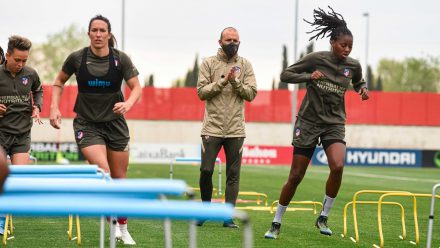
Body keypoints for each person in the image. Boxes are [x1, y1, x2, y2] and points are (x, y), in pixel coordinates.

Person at [264, 7, 370, 239]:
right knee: (296, 176)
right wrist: (307, 77)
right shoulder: (316, 59)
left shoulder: (352, 65)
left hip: (334, 123)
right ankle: (276, 221)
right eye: (343, 44)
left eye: (350, 46)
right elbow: (285, 75)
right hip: (309, 122)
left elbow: (358, 81)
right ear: (332, 42)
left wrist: (362, 89)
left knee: (338, 166)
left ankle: (323, 216)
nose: (347, 49)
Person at [49, 15, 142, 245]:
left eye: (102, 30)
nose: (98, 34)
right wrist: (54, 108)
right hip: (87, 124)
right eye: (94, 30)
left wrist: (128, 104)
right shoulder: (77, 58)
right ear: (89, 33)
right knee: (104, 171)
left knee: (119, 179)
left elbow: (137, 87)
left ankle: (123, 227)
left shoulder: (120, 59)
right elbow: (59, 81)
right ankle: (111, 224)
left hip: (115, 124)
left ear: (109, 34)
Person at [197, 27, 257, 228]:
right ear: (220, 42)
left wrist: (236, 82)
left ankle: (227, 216)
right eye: (229, 40)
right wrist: (222, 82)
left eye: (236, 40)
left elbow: (251, 94)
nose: (233, 43)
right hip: (211, 128)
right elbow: (201, 92)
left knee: (233, 175)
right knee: (206, 171)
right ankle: (205, 211)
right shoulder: (208, 63)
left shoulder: (245, 65)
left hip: (235, 130)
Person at [0, 35, 43, 235]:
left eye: (24, 60)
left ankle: (5, 215)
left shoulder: (31, 73)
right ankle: (1, 221)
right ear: (7, 55)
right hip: (1, 133)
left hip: (22, 134)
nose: (21, 64)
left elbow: (39, 90)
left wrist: (38, 107)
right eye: (17, 60)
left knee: (17, 179)